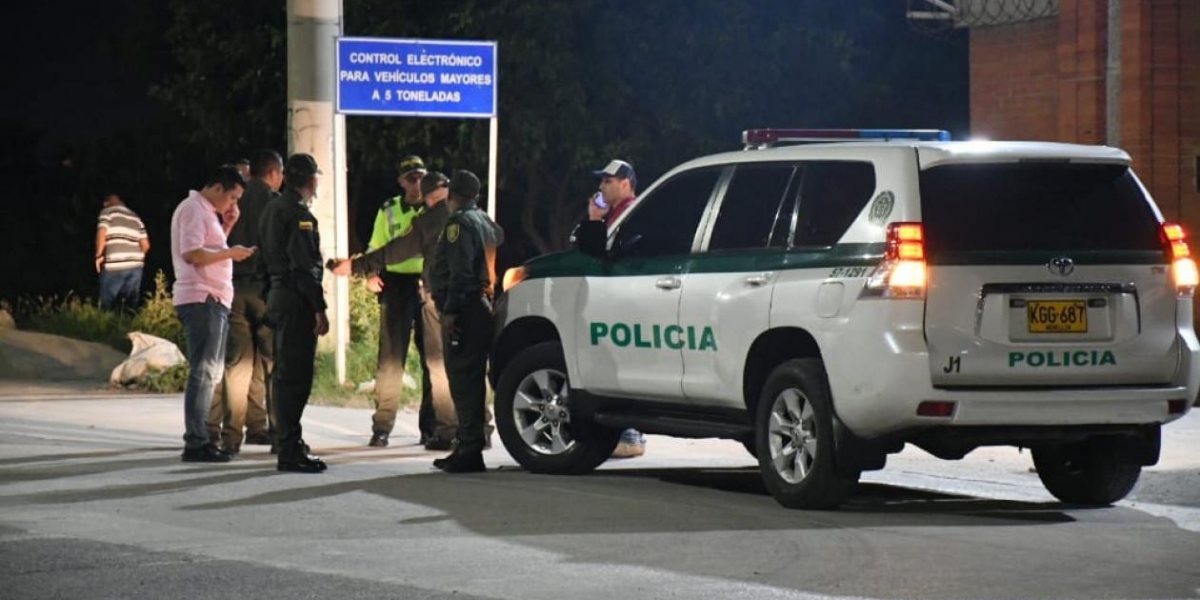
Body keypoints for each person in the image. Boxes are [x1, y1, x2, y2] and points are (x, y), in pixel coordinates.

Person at [330, 172, 462, 450]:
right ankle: (473, 430)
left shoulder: (429, 219)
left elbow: (397, 249)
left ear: (428, 196)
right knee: (454, 362)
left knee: (434, 364)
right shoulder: (471, 216)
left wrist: (356, 266)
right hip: (438, 293)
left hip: (434, 295)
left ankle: (442, 430)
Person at [170, 165, 254, 463]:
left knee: (211, 372)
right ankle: (196, 441)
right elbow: (192, 254)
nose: (232, 205)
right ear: (218, 187)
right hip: (201, 297)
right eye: (232, 198)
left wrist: (227, 229)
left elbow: (207, 249)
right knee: (204, 371)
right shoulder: (194, 209)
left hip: (212, 298)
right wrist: (232, 252)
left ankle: (200, 439)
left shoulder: (206, 212)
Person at [208, 150, 283, 454]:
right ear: (275, 173)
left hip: (233, 286)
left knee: (238, 365)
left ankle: (231, 438)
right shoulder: (275, 203)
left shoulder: (231, 201)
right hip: (265, 291)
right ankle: (278, 434)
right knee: (272, 363)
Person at [257, 153, 329, 473]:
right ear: (310, 180)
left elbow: (262, 259)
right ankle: (289, 448)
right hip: (296, 299)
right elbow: (304, 268)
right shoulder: (298, 214)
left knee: (285, 372)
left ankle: (289, 441)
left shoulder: (271, 208)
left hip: (277, 296)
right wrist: (319, 308)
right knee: (295, 376)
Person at [429, 170, 504, 473]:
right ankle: (469, 444)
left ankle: (470, 449)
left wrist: (450, 312)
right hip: (482, 305)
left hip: (466, 309)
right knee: (472, 378)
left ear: (451, 196)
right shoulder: (484, 220)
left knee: (463, 380)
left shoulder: (458, 223)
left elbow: (461, 273)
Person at [364, 155, 429, 448]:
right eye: (411, 178)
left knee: (434, 360)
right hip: (396, 286)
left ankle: (433, 428)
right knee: (390, 359)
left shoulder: (436, 209)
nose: (417, 183)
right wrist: (369, 273)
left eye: (421, 177)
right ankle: (382, 428)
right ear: (401, 181)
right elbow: (375, 246)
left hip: (428, 286)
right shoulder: (389, 210)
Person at [586, 159, 646, 459]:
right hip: (620, 299)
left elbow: (594, 254)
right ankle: (629, 433)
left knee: (622, 363)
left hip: (624, 301)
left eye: (607, 181)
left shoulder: (631, 213)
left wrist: (595, 221)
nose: (601, 187)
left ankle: (630, 435)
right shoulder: (618, 213)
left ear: (626, 183)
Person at [95, 193, 150, 311]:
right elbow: (146, 245)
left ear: (107, 203)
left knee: (106, 305)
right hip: (135, 266)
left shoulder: (107, 212)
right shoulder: (135, 217)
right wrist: (137, 257)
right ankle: (128, 327)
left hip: (115, 265)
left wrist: (99, 255)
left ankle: (104, 327)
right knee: (129, 307)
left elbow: (102, 233)